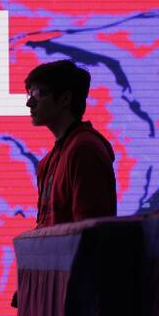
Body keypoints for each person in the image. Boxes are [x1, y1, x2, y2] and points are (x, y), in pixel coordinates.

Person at [24, 60, 117, 227]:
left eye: (37, 94)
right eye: (29, 95)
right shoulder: (48, 162)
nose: (29, 103)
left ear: (65, 98)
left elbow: (90, 232)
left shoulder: (84, 150)